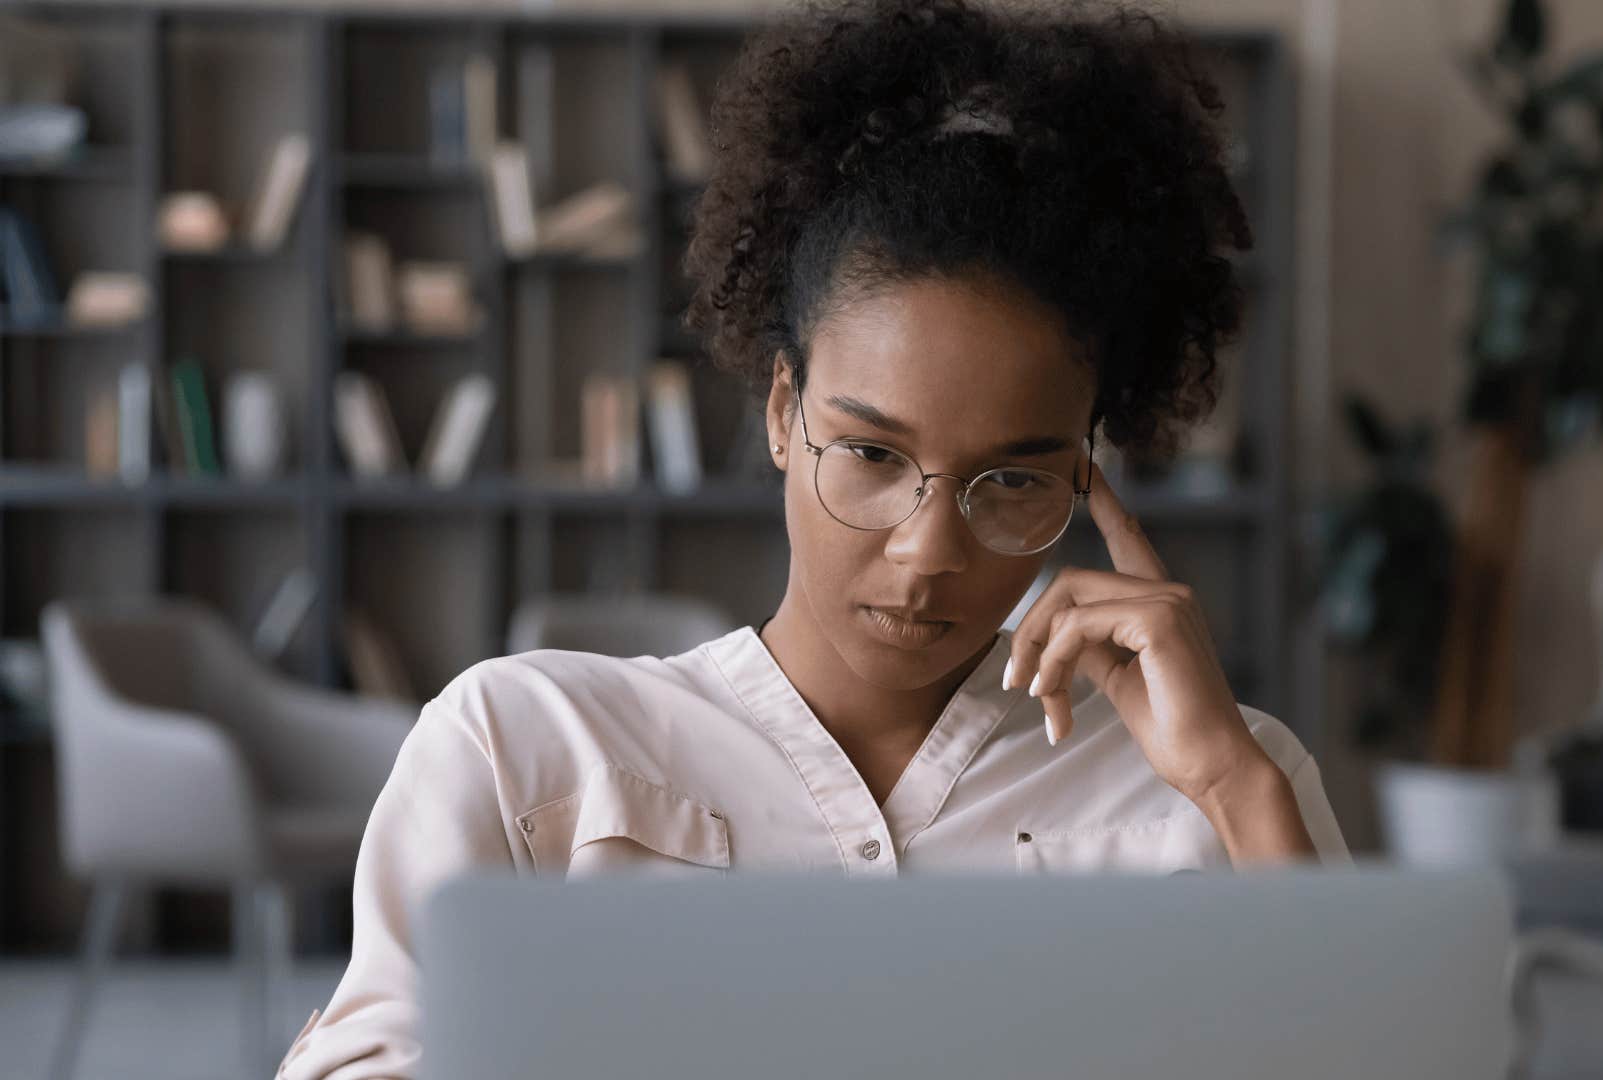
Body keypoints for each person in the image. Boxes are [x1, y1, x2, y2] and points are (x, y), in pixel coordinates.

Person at [277, 1, 1347, 1075]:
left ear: (1084, 474)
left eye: (1011, 479)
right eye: (874, 456)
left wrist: (1232, 792)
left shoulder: (1227, 787)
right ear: (785, 413)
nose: (929, 550)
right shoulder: (524, 748)